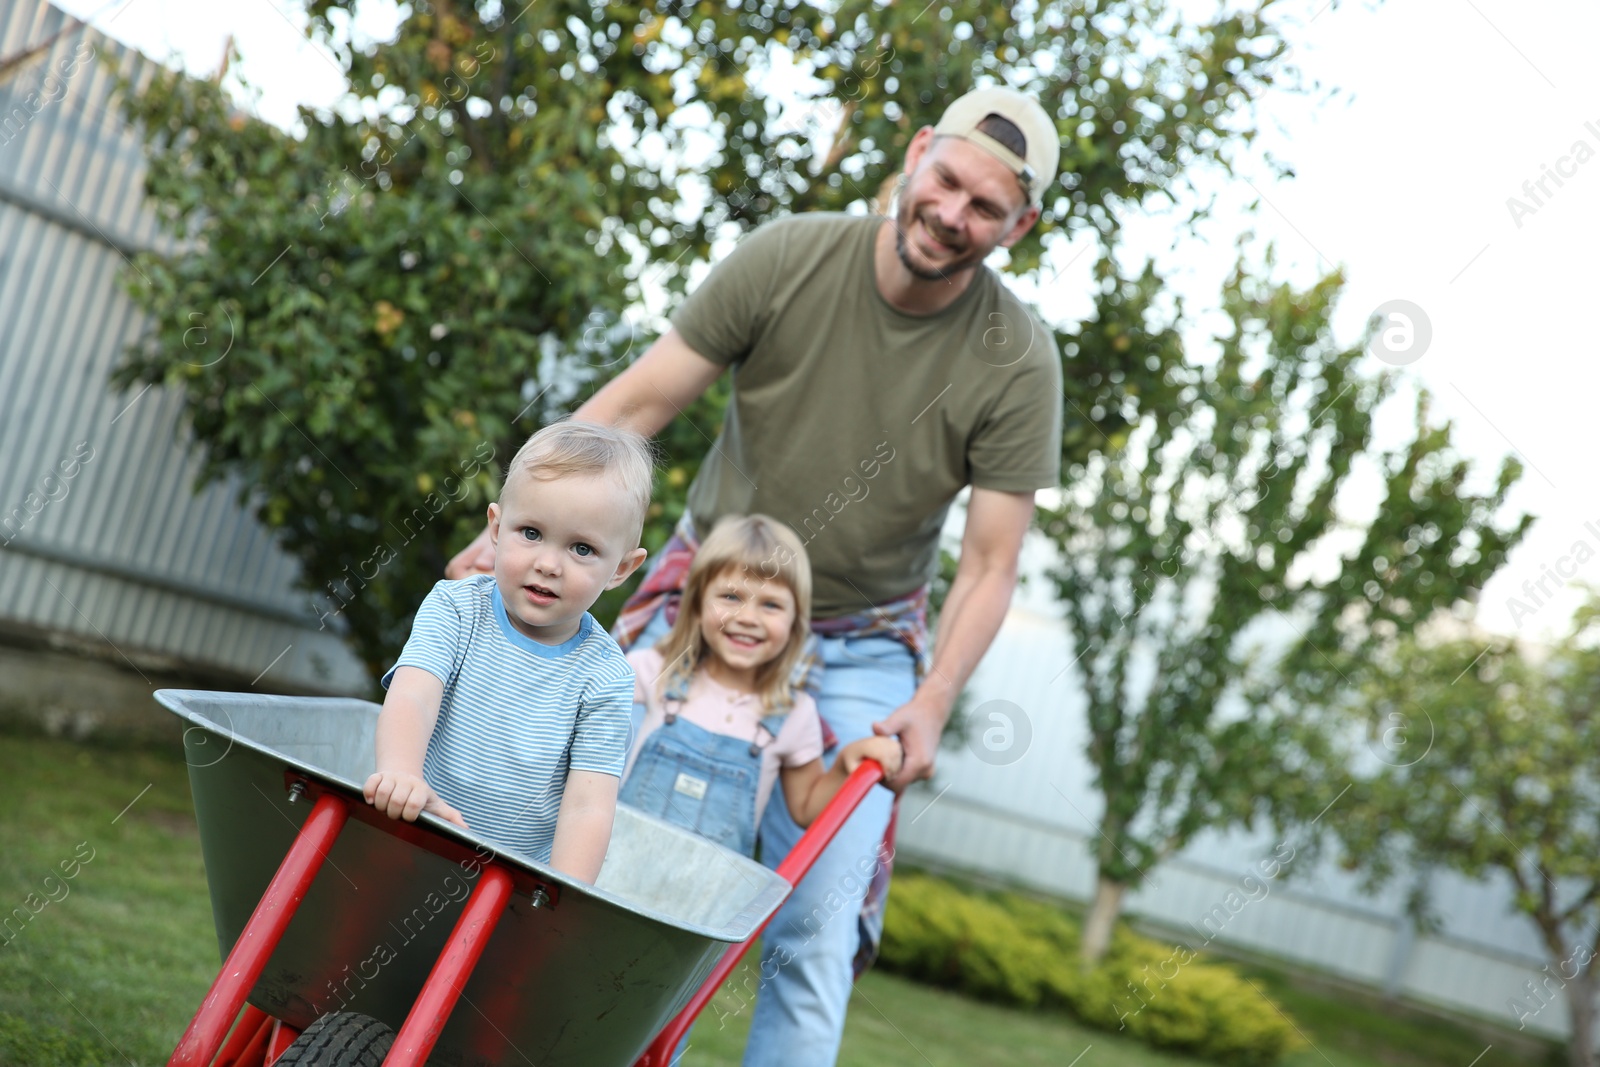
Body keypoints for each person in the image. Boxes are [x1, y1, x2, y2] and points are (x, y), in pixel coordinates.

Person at [448, 85, 1064, 1065]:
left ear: (1019, 226)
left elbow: (990, 563)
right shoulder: (788, 256)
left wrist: (934, 699)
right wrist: (516, 528)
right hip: (707, 597)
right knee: (595, 857)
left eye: (986, 207)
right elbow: (638, 403)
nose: (952, 214)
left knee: (813, 925)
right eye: (946, 180)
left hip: (861, 637)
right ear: (915, 153)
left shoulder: (1018, 359)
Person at [622, 514, 903, 1065]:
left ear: (796, 622)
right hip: (614, 887)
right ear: (697, 600)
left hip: (696, 918)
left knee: (657, 1030)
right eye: (731, 596)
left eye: (771, 604)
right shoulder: (649, 672)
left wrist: (848, 761)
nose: (748, 617)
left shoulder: (791, 715)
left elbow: (806, 809)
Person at [365, 420, 652, 881]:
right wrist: (402, 772)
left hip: (509, 884)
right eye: (532, 533)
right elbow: (413, 697)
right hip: (413, 831)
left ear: (621, 568)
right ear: (496, 528)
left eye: (581, 548)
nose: (548, 563)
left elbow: (587, 806)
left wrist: (560, 896)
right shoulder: (457, 609)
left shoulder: (605, 676)